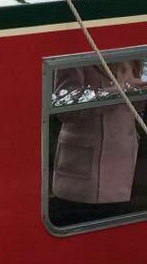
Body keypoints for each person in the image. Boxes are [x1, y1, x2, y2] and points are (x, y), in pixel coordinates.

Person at [51, 59, 146, 222]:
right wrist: (117, 93)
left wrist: (139, 93)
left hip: (123, 171)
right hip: (82, 176)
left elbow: (133, 108)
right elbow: (65, 109)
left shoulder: (132, 55)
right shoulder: (79, 54)